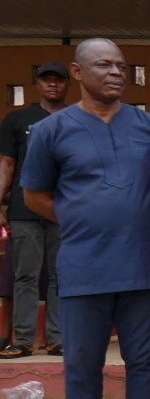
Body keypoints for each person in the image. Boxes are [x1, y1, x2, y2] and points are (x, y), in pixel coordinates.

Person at [20, 39, 150, 399]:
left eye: (121, 67)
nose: (115, 73)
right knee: (83, 363)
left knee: (144, 361)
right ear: (77, 72)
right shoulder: (51, 130)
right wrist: (79, 219)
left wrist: (142, 219)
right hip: (84, 267)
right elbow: (34, 194)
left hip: (143, 266)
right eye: (104, 65)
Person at [0, 61, 68, 358]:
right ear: (37, 84)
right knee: (25, 276)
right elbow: (6, 164)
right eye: (46, 80)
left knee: (60, 275)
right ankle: (23, 340)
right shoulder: (18, 119)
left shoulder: (77, 118)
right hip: (24, 209)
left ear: (68, 84)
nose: (52, 84)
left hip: (64, 209)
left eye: (58, 80)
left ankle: (57, 339)